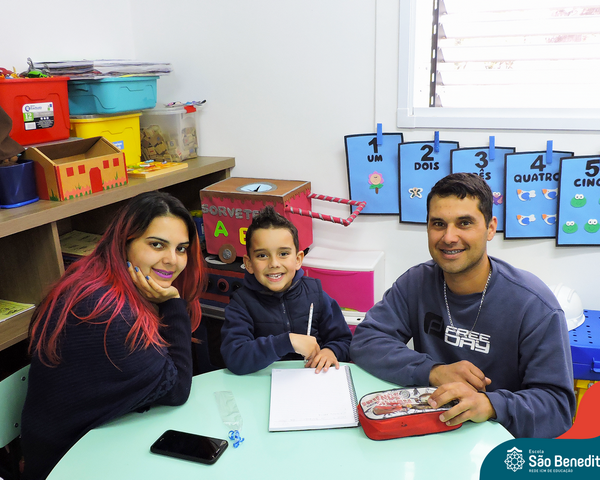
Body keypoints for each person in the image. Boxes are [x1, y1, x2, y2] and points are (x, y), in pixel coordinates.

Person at [350, 173, 576, 438]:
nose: (449, 237)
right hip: (429, 432)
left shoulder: (535, 305)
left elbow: (557, 407)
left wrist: (490, 405)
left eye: (464, 223)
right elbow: (366, 341)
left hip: (500, 442)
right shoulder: (416, 282)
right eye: (438, 224)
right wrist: (433, 371)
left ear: (490, 228)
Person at [21, 191, 206, 479]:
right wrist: (172, 302)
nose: (173, 260)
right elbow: (178, 389)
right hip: (67, 465)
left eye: (181, 248)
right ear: (124, 243)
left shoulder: (104, 281)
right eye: (157, 245)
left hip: (101, 440)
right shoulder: (106, 312)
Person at [220, 206, 352, 375]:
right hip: (263, 384)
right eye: (262, 255)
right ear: (249, 264)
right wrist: (287, 342)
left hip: (312, 380)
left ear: (298, 259)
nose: (274, 263)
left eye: (283, 254)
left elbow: (344, 341)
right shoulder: (241, 303)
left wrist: (331, 351)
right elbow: (235, 357)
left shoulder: (316, 294)